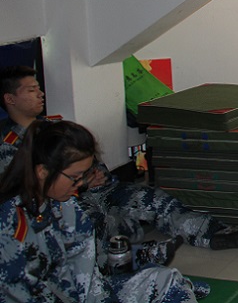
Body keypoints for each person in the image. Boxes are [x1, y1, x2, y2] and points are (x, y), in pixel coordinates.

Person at [0, 66, 238, 262]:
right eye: (31, 90)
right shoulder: (8, 147)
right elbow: (25, 192)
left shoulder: (55, 127)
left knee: (156, 199)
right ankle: (127, 242)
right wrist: (83, 185)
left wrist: (96, 176)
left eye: (39, 88)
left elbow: (89, 159)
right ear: (10, 99)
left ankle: (213, 234)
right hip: (70, 203)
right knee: (95, 226)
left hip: (105, 190)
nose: (40, 94)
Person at [0, 119, 204, 303]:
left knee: (165, 281)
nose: (80, 185)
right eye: (74, 177)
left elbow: (88, 280)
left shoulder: (66, 207)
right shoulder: (10, 226)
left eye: (83, 177)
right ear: (42, 172)